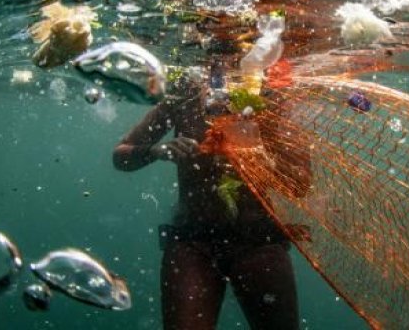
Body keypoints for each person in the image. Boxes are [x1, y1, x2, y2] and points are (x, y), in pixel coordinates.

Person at [113, 59, 299, 330]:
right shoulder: (185, 95)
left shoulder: (272, 98)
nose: (220, 75)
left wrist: (260, 157)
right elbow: (121, 156)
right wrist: (157, 152)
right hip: (193, 240)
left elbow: (300, 183)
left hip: (258, 239)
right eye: (215, 65)